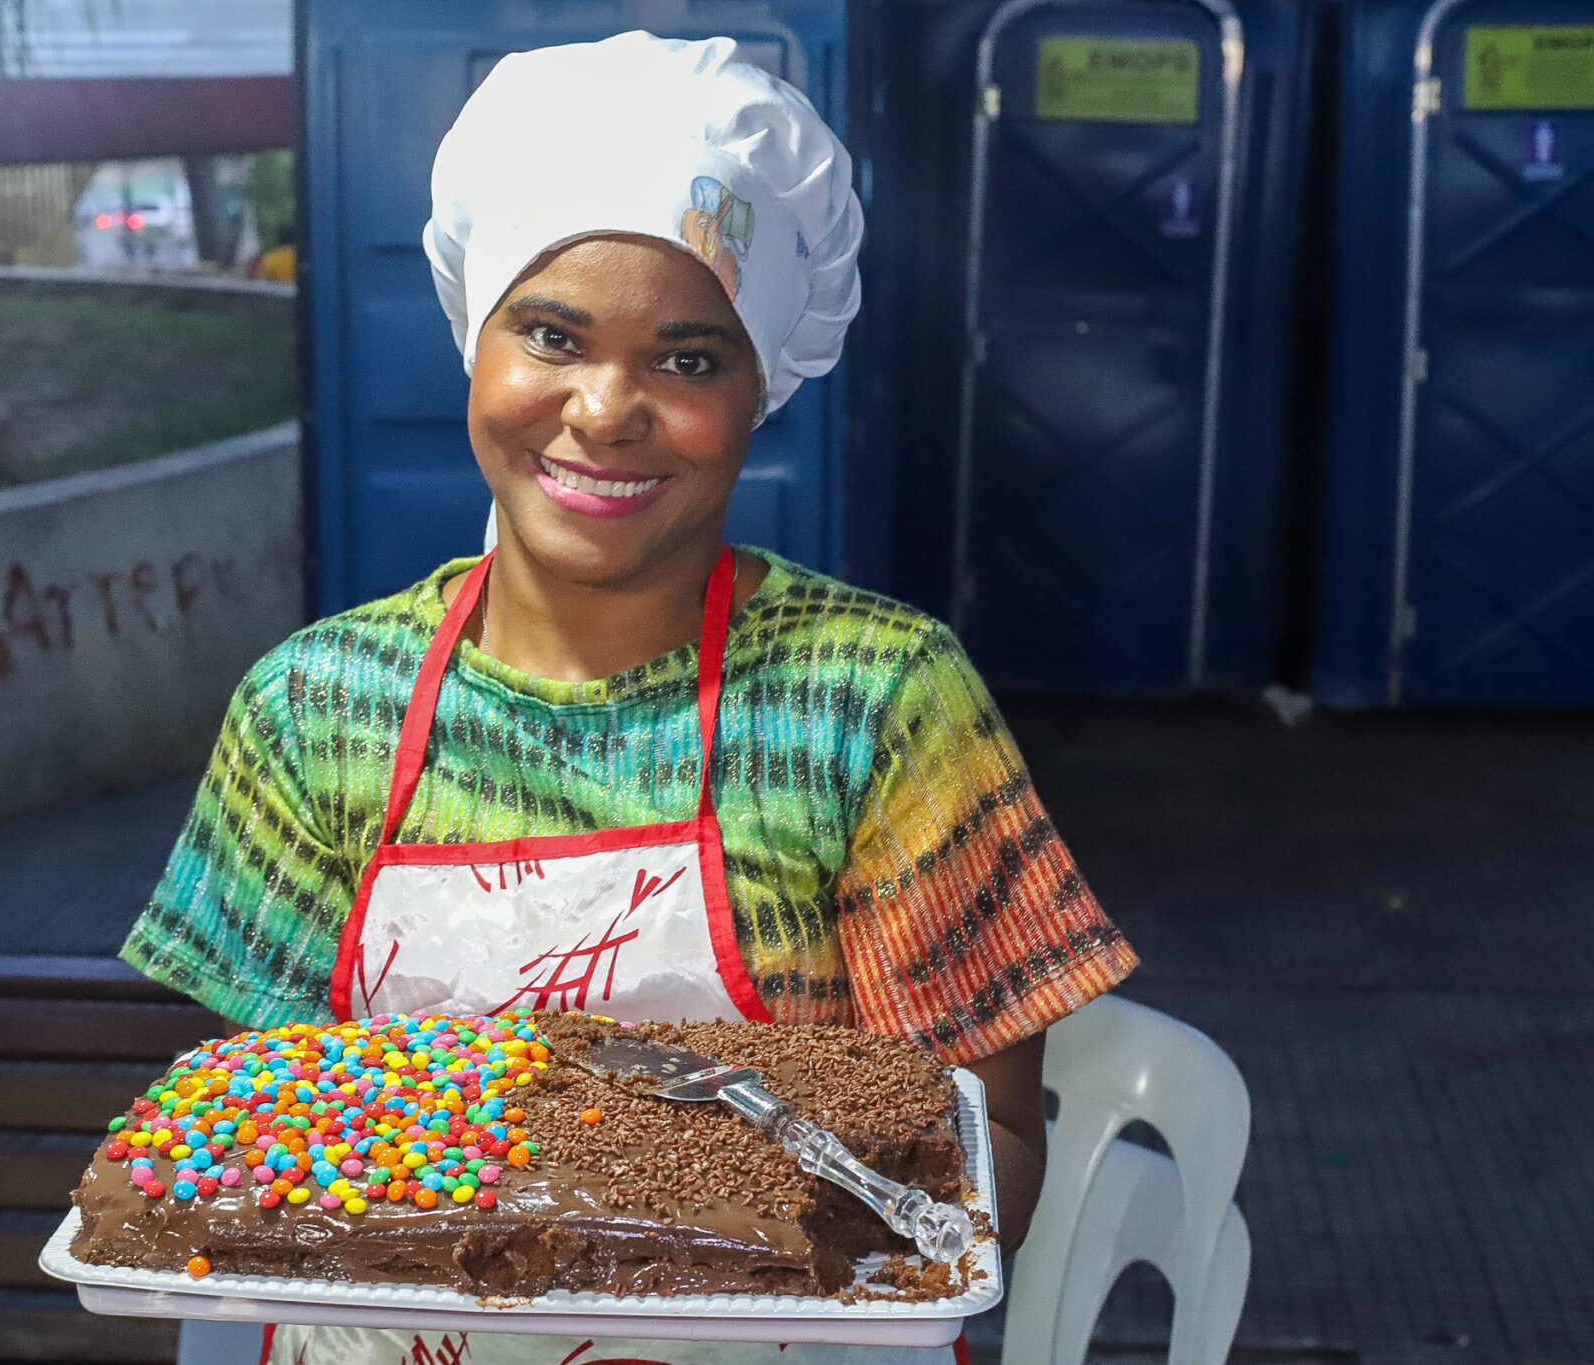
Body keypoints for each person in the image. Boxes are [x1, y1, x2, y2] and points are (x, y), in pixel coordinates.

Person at [125, 31, 1136, 1365]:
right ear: (473, 344)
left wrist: (695, 1234)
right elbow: (254, 1132)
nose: (606, 410)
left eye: (689, 359)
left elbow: (993, 1141)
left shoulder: (874, 700)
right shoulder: (317, 707)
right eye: (551, 334)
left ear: (761, 385)